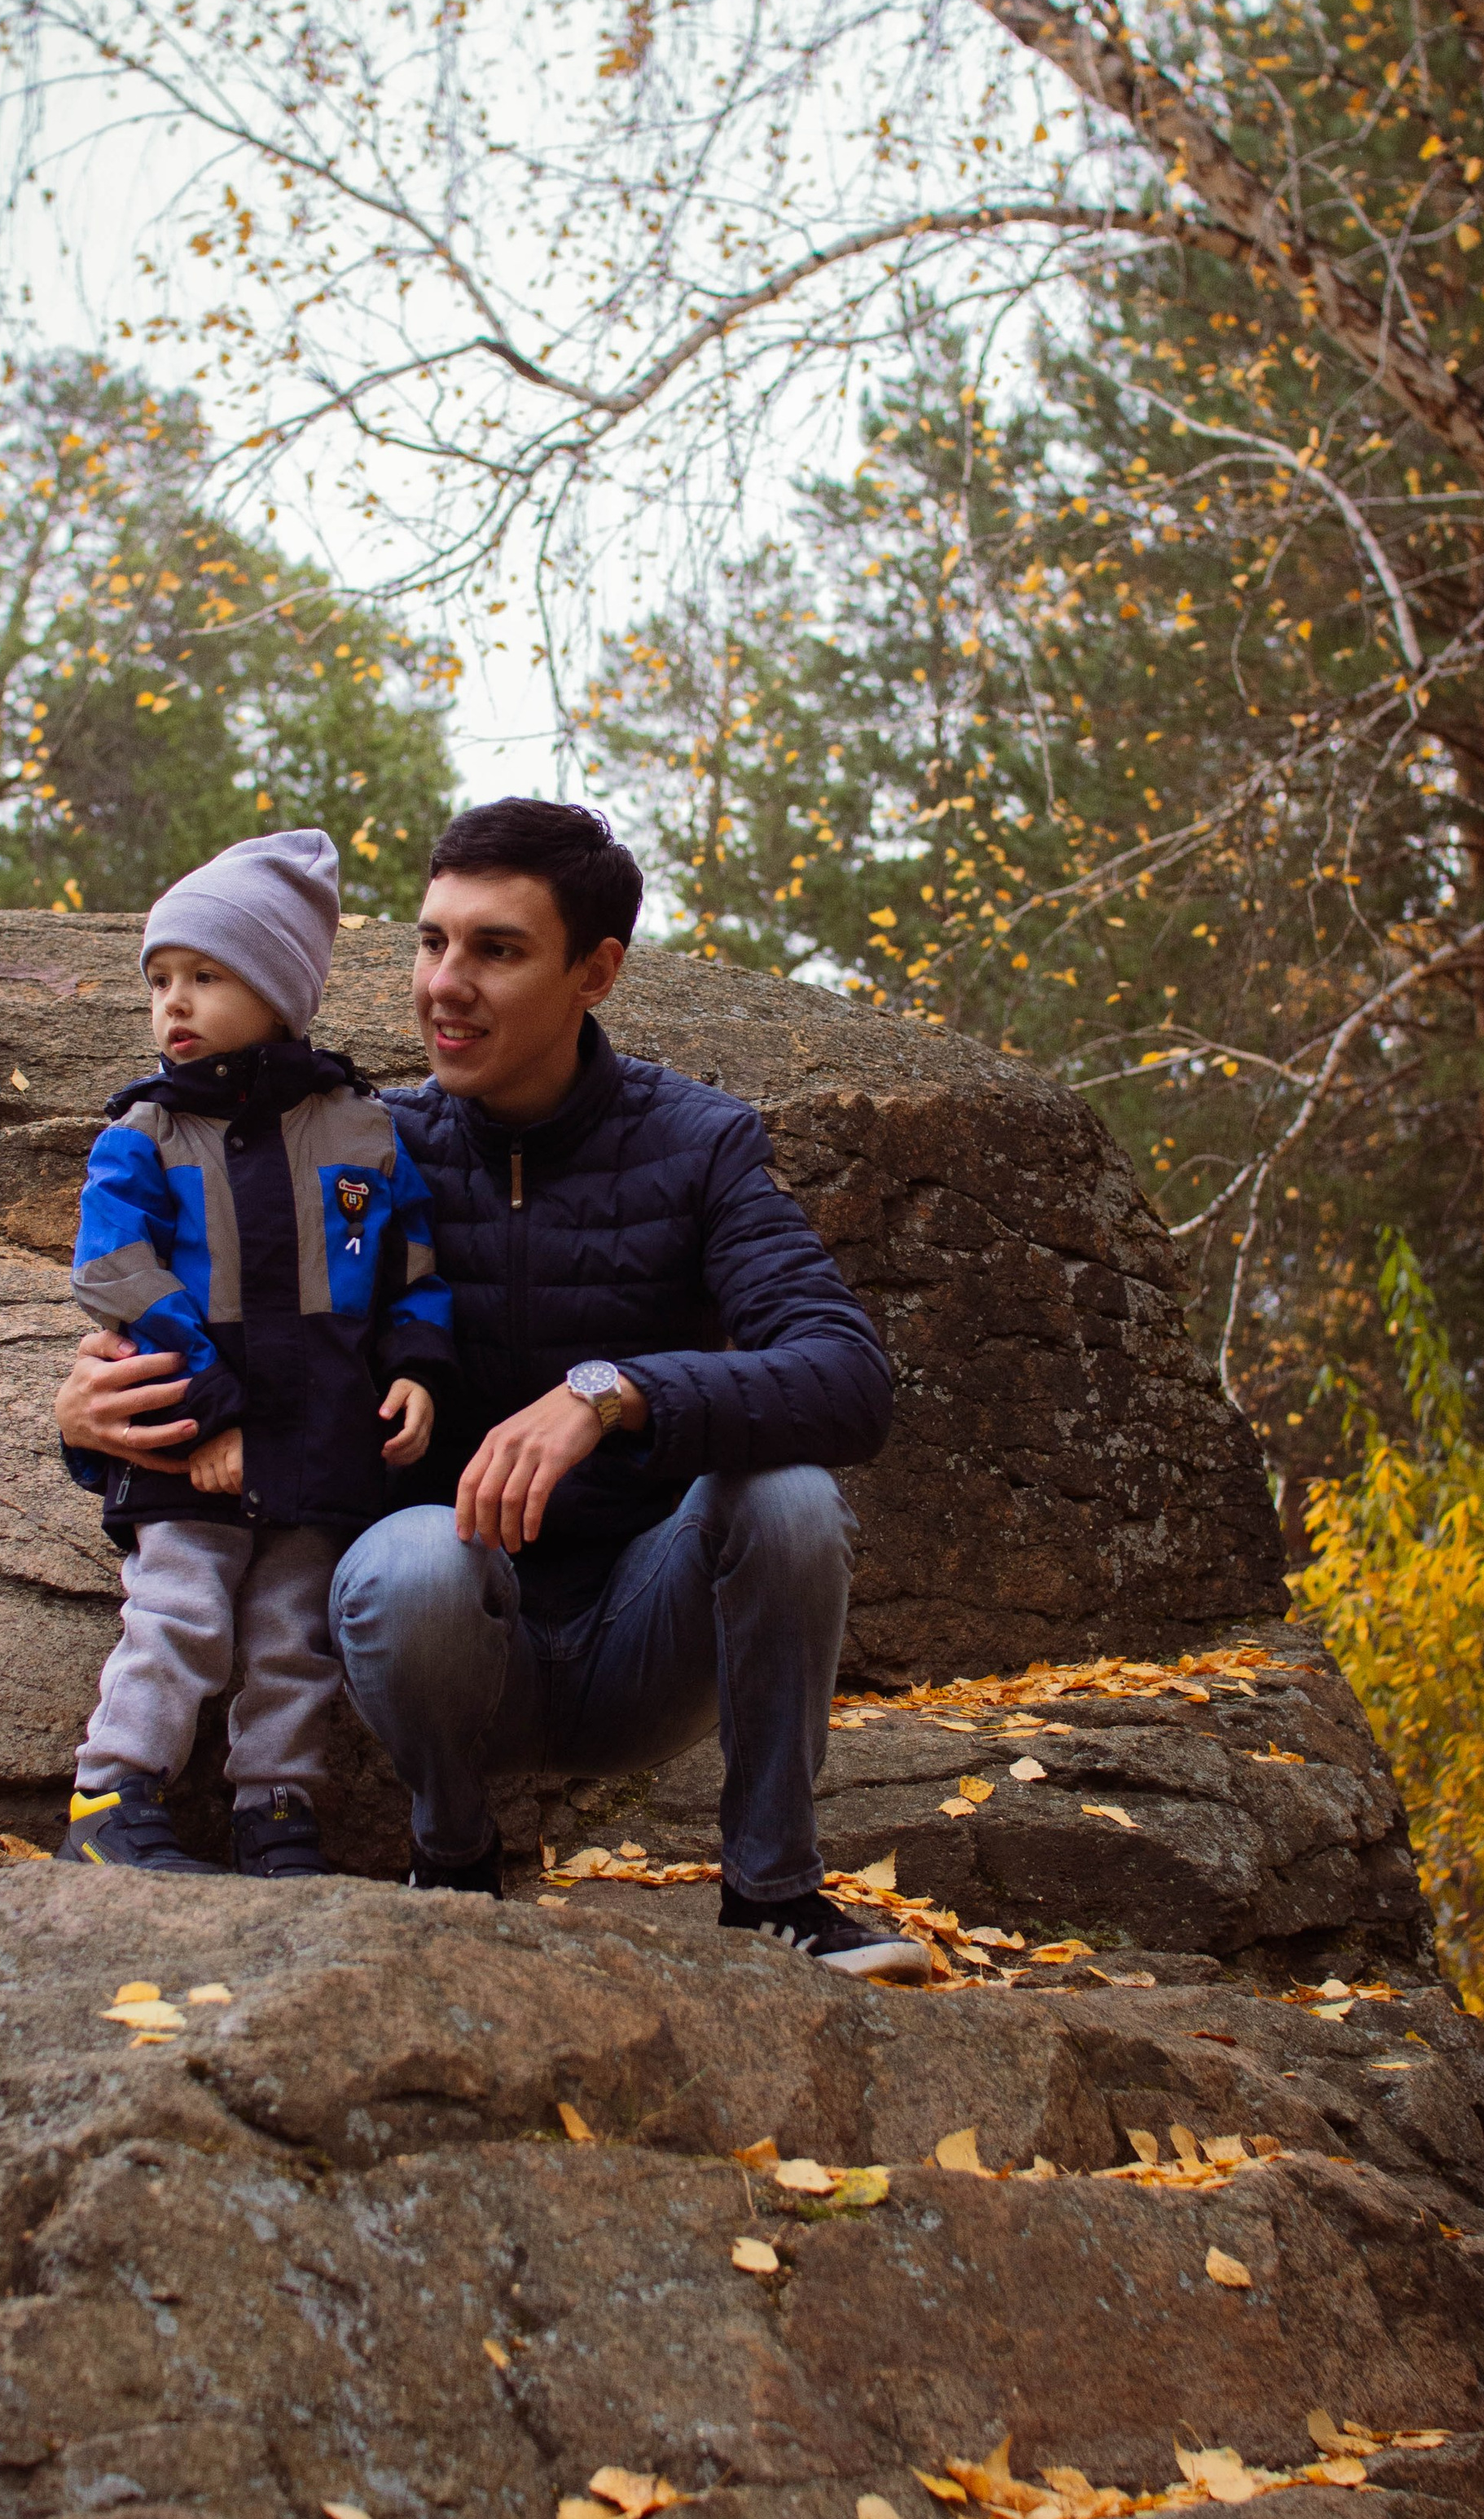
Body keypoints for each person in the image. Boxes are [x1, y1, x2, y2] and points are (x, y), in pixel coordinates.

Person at [55, 798, 925, 1980]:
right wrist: (93, 1421)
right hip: (437, 1629)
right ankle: (450, 1861)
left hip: (643, 1633)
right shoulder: (363, 1149)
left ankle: (775, 1894)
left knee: (791, 1500)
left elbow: (849, 1380)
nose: (445, 984)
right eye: (431, 942)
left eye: (497, 950)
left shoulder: (701, 1144)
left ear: (596, 971)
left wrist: (610, 1393)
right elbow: (223, 1326)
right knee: (417, 1556)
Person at [58, 824, 453, 1879]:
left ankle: (276, 1815)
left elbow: (414, 1266)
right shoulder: (143, 1131)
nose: (172, 1003)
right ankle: (110, 1801)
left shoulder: (364, 1129)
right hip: (190, 1437)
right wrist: (212, 1405)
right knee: (179, 1613)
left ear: (282, 990)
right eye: (160, 980)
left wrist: (417, 1367)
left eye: (205, 975)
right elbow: (114, 1271)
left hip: (325, 1441)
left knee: (294, 1637)